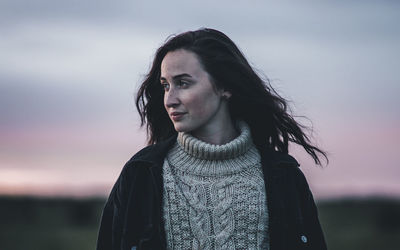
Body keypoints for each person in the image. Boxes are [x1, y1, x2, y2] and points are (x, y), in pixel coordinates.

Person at [96, 28, 328, 250]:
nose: (169, 99)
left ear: (224, 86)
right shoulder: (141, 174)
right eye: (166, 86)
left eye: (183, 83)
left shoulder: (284, 176)